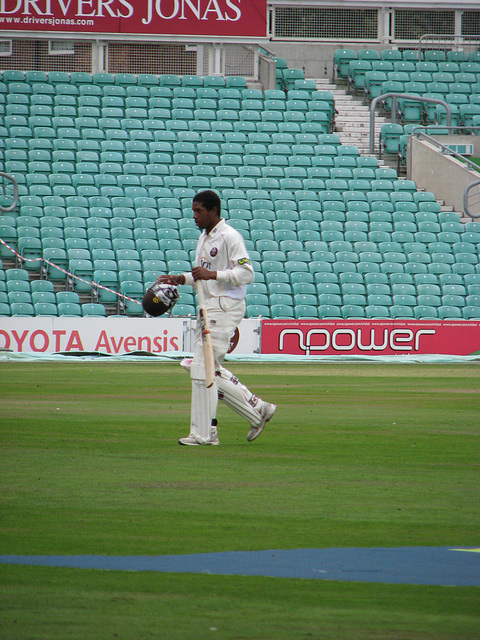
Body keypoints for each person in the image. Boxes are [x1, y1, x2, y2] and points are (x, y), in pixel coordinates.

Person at [157, 190, 276, 446]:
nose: (194, 216)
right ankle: (258, 409)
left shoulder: (229, 236)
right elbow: (202, 274)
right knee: (206, 368)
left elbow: (246, 274)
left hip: (226, 306)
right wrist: (181, 278)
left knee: (202, 367)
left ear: (214, 211)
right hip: (208, 305)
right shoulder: (204, 237)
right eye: (193, 210)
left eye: (199, 211)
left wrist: (214, 276)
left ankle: (204, 434)